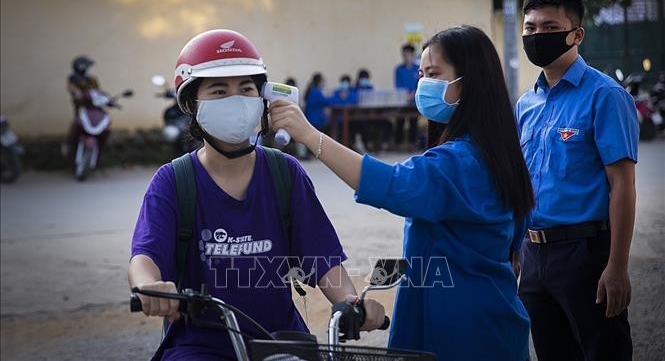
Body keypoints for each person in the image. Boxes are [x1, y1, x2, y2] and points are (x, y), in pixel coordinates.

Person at [270, 25, 534, 361]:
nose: (423, 83)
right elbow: (516, 251)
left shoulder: (457, 163)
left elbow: (390, 184)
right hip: (497, 318)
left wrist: (310, 135)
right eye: (421, 74)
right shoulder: (499, 154)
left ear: (470, 81)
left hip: (458, 332)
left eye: (434, 74)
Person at [128, 29, 384, 360]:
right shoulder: (173, 181)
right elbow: (144, 256)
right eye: (219, 91)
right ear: (191, 104)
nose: (236, 99)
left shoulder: (285, 173)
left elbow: (323, 260)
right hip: (200, 347)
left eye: (246, 88)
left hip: (281, 341)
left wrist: (351, 303)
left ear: (261, 97)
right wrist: (149, 285)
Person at [516, 0, 638, 361]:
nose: (538, 36)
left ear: (576, 34)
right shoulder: (525, 104)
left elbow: (623, 185)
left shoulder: (605, 96)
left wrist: (616, 266)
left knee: (603, 351)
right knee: (552, 353)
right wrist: (515, 249)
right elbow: (522, 183)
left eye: (549, 27)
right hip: (533, 255)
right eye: (530, 28)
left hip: (585, 254)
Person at [64, 55, 101, 158]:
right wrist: (78, 94)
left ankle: (97, 152)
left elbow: (98, 91)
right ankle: (69, 145)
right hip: (81, 108)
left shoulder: (92, 79)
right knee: (77, 125)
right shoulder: (73, 78)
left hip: (93, 108)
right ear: (81, 67)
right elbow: (72, 89)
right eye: (87, 66)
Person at [394, 44, 420, 149]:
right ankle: (398, 143)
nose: (406, 56)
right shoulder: (398, 69)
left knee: (414, 121)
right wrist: (405, 95)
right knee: (400, 120)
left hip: (414, 101)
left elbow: (420, 83)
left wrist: (413, 94)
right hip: (402, 100)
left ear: (412, 54)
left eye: (408, 54)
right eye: (404, 54)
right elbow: (397, 85)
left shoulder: (417, 68)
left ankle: (413, 143)